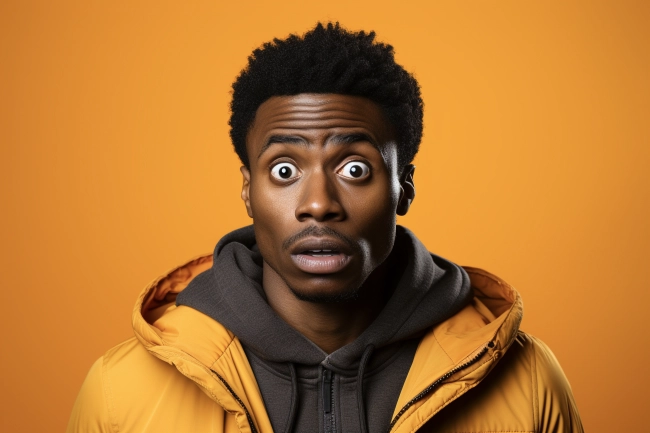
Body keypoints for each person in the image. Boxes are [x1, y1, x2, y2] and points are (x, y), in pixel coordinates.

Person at [67, 23, 583, 433]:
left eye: (354, 169)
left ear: (404, 186)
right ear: (248, 189)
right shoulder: (122, 391)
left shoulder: (527, 378)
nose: (318, 204)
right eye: (285, 171)